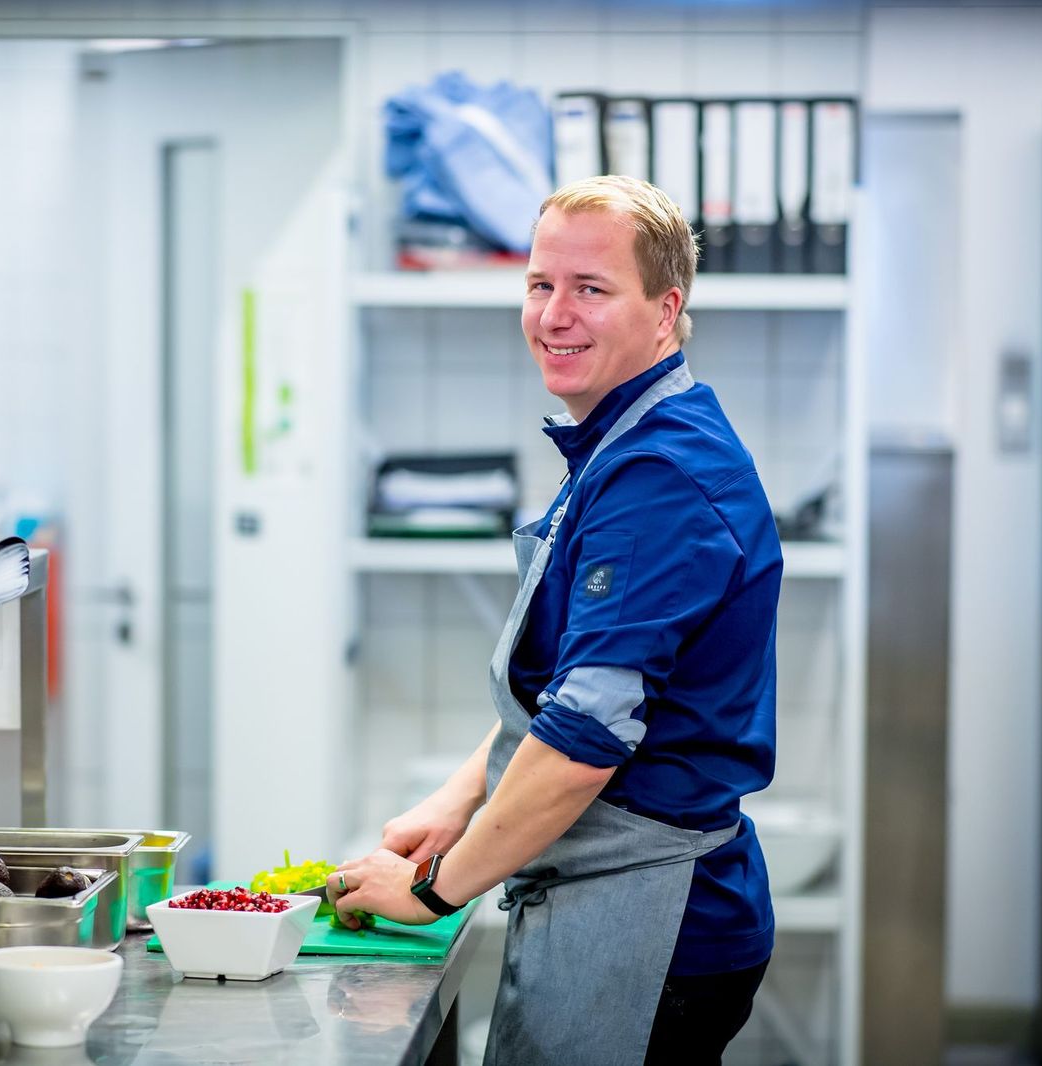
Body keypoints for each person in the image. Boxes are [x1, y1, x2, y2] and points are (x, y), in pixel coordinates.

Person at [327, 175, 781, 1066]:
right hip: (620, 900)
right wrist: (459, 801)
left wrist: (431, 890)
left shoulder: (658, 476)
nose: (554, 315)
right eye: (540, 284)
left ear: (665, 310)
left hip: (651, 926)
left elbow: (583, 740)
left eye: (591, 288)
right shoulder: (624, 442)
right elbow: (568, 687)